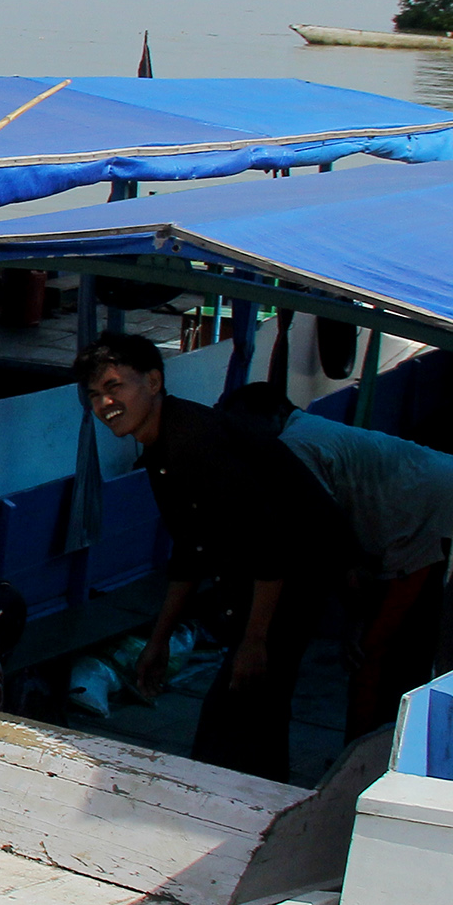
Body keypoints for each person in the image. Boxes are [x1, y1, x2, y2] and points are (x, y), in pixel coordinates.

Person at [77, 333, 352, 783]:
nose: (105, 403)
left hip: (293, 575)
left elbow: (269, 542)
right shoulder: (163, 448)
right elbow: (191, 550)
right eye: (94, 395)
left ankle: (251, 814)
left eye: (114, 387)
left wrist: (256, 638)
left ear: (153, 381)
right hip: (261, 577)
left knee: (237, 719)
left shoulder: (194, 442)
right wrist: (158, 640)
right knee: (247, 719)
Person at [218, 381, 453, 734]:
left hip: (443, 521)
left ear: (274, 417)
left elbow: (326, 538)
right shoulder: (312, 431)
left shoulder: (293, 447)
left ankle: (367, 753)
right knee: (400, 646)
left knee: (377, 654)